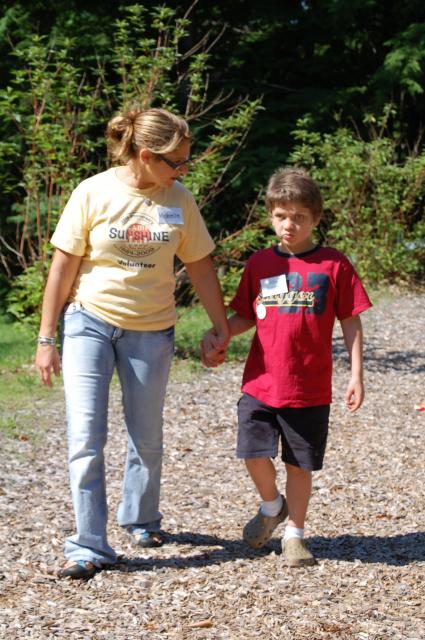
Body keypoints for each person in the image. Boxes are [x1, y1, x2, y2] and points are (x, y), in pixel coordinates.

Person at [35, 107, 229, 579]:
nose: (183, 170)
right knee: (85, 436)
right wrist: (46, 338)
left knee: (146, 435)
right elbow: (62, 268)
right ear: (145, 156)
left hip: (152, 331)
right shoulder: (92, 192)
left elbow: (201, 266)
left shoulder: (179, 200)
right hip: (89, 323)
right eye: (176, 162)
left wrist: (220, 326)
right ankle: (88, 546)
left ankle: (141, 518)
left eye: (185, 161)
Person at [201, 167, 372, 567]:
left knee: (299, 465)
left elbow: (350, 321)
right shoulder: (260, 263)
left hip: (308, 388)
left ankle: (295, 534)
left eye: (298, 216)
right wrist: (218, 335)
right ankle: (271, 505)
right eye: (281, 216)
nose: (289, 224)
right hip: (261, 383)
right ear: (271, 215)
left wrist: (356, 375)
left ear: (315, 218)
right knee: (252, 453)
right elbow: (245, 316)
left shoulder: (333, 265)